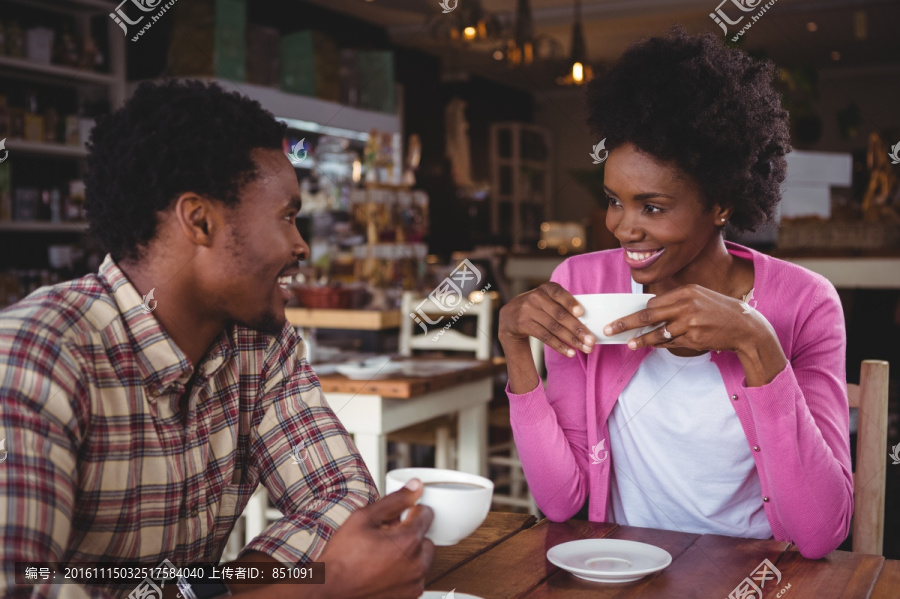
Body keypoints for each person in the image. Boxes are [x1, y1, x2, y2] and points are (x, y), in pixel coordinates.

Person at [0, 80, 433, 598]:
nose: (301, 247)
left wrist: (224, 591)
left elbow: (341, 495)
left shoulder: (260, 346)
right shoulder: (34, 357)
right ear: (200, 220)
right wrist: (316, 586)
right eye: (288, 217)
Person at [498, 29, 852, 559]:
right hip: (622, 571)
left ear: (722, 203)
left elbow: (822, 532)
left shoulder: (805, 304)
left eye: (653, 207)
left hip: (754, 578)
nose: (623, 228)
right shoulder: (582, 285)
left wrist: (756, 341)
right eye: (614, 200)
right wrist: (514, 350)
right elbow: (560, 500)